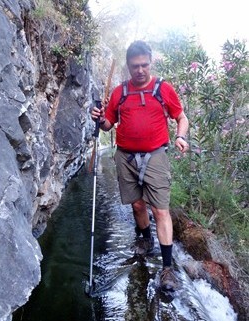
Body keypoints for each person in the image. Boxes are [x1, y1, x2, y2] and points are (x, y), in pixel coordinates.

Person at [91, 40, 189, 292]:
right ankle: (145, 240)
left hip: (155, 155)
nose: (140, 70)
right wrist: (100, 118)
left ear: (151, 62)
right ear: (128, 65)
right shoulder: (119, 92)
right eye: (135, 66)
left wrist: (180, 136)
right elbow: (108, 124)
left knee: (160, 210)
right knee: (136, 204)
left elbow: (181, 117)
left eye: (144, 65)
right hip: (125, 156)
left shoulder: (163, 88)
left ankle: (167, 269)